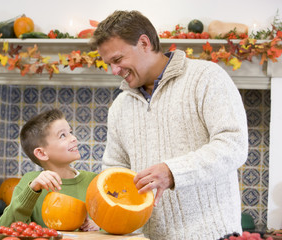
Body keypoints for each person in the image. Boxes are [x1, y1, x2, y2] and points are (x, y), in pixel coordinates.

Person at [90, 10, 248, 240]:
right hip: (149, 237)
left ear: (144, 43)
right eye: (109, 64)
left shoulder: (206, 78)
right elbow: (115, 170)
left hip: (213, 234)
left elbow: (233, 145)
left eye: (117, 60)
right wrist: (102, 213)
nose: (114, 71)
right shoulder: (120, 106)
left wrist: (173, 172)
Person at [0, 108, 99, 232]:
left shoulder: (95, 182)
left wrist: (100, 227)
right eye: (63, 135)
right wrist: (32, 190)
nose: (74, 138)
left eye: (70, 132)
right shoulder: (30, 183)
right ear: (41, 153)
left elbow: (120, 224)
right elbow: (7, 229)